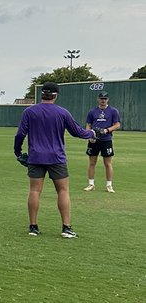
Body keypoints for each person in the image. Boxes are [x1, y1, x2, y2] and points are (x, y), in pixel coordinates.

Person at [14, 81, 95, 238]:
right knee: (63, 191)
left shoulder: (29, 112)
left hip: (36, 156)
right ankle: (66, 228)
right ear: (55, 95)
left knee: (34, 190)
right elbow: (78, 132)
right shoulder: (62, 112)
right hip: (56, 157)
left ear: (42, 94)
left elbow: (20, 134)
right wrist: (91, 133)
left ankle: (33, 227)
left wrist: (17, 151)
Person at [84, 92, 120, 193]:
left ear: (107, 99)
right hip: (94, 140)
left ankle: (109, 185)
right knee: (92, 162)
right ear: (98, 99)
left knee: (108, 163)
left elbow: (117, 125)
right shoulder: (92, 111)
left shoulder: (113, 111)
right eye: (101, 98)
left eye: (105, 98)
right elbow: (88, 125)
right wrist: (89, 135)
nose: (103, 100)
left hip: (106, 139)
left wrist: (106, 130)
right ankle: (91, 184)